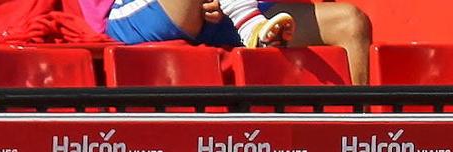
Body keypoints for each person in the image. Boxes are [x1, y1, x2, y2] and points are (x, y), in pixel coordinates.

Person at [85, 0, 372, 85]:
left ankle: (360, 141)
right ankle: (249, 24)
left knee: (350, 22)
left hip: (227, 10)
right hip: (135, 10)